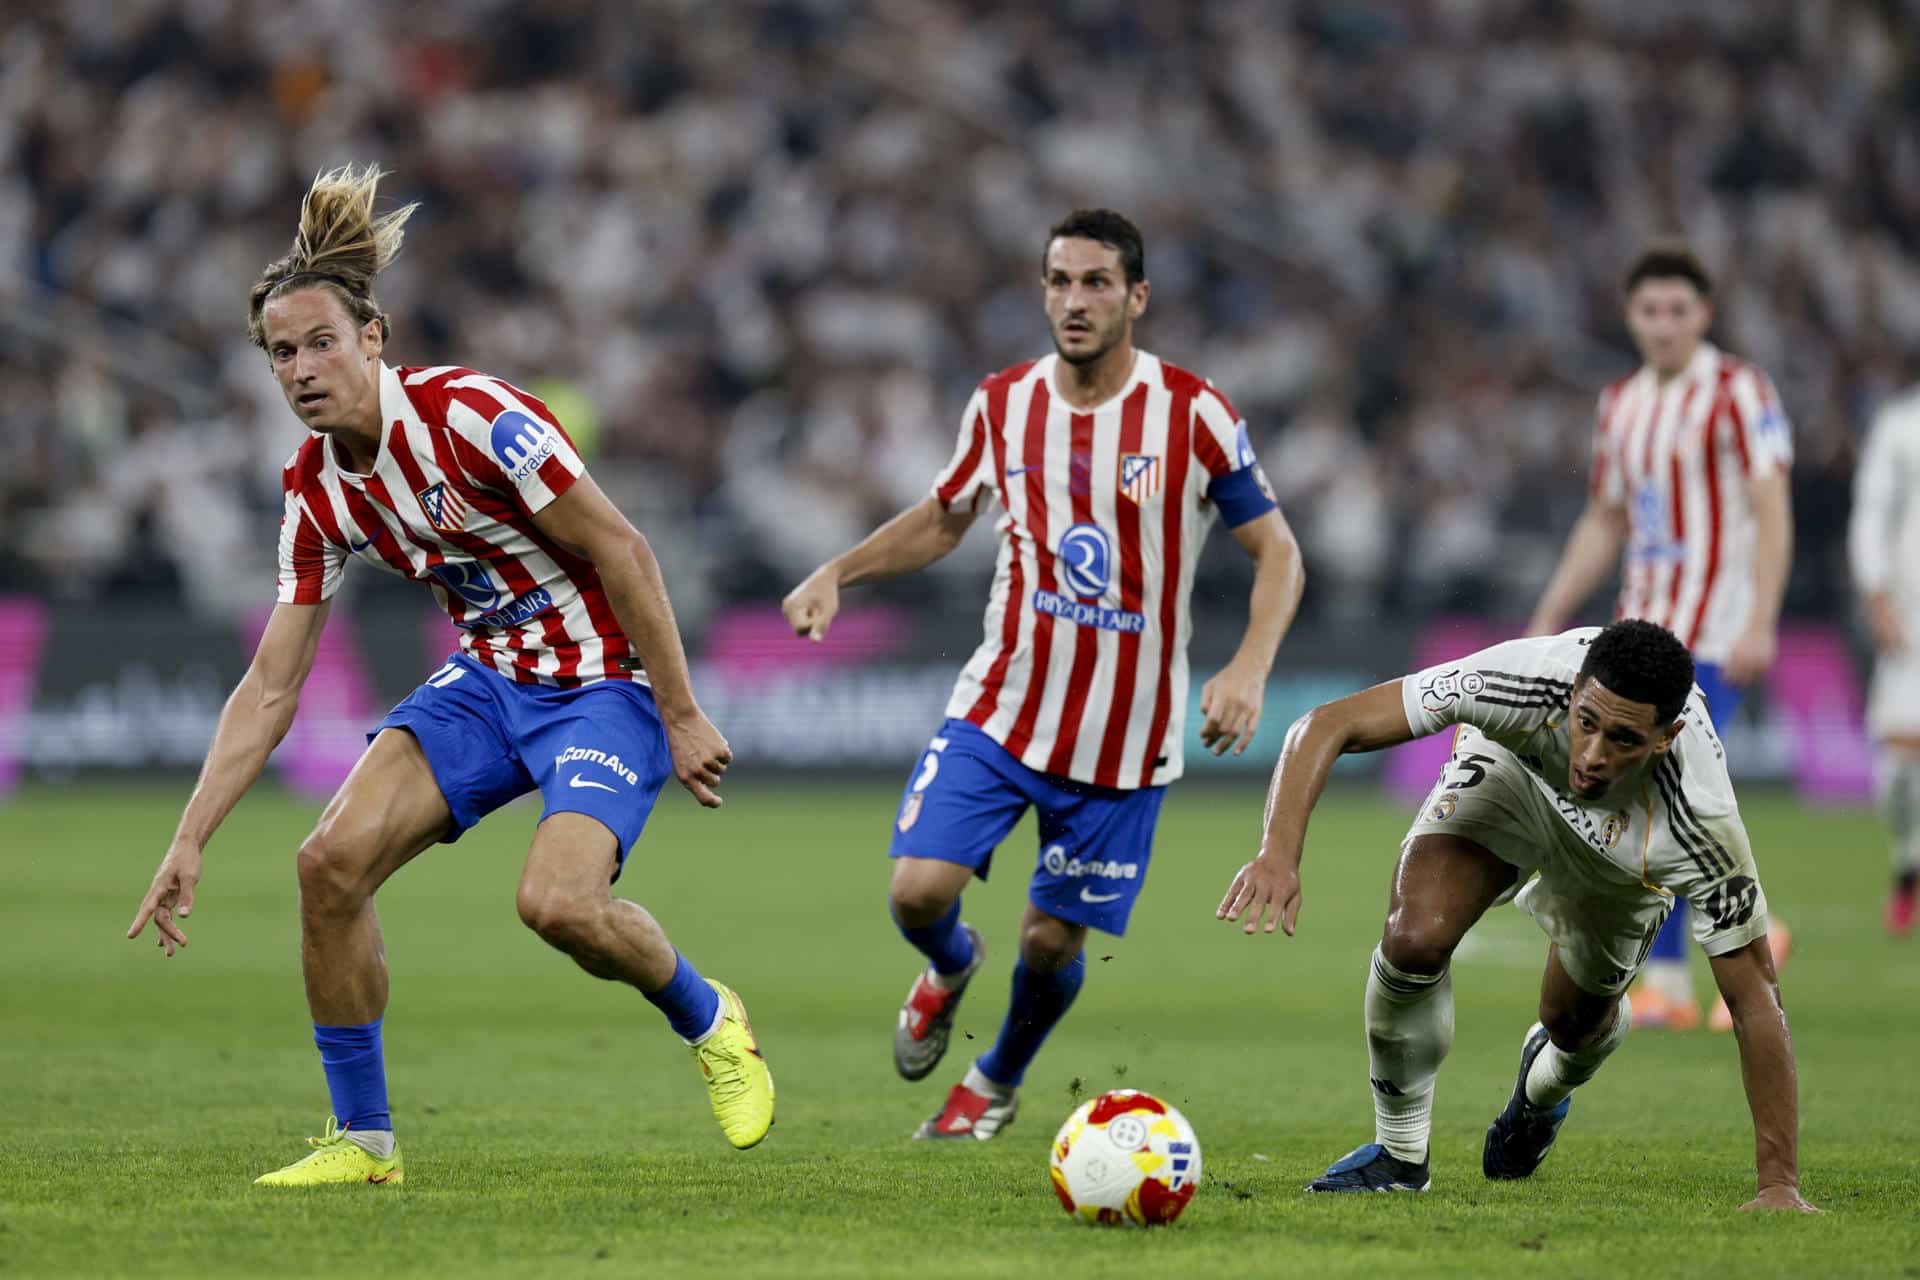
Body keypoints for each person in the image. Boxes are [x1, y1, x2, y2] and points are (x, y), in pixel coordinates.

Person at [125, 165, 773, 1185]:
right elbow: (270, 685)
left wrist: (683, 712)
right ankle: (366, 1140)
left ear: (374, 338)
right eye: (281, 353)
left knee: (557, 903)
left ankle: (711, 1016)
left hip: (605, 683)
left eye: (320, 342)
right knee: (325, 863)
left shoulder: (475, 417)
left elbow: (626, 550)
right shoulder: (313, 495)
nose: (300, 368)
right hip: (489, 682)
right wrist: (189, 836)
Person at [781, 209, 1304, 1140]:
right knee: (916, 892)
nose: (1074, 300)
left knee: (1053, 939)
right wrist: (838, 572)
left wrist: (1250, 668)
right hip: (1003, 708)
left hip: (1124, 738)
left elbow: (1279, 553)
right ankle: (948, 966)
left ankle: (992, 1082)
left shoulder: (1194, 412)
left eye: (1097, 281)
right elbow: (944, 518)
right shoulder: (1004, 402)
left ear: (1136, 297)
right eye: (1059, 281)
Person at [1218, 620, 1816, 1211]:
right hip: (1515, 775)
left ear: (1666, 736)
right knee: (1413, 937)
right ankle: (1399, 1154)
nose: (1592, 755)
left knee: (1574, 1025)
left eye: (1624, 740)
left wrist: (1779, 1186)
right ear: (1575, 689)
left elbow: (1754, 1001)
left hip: (1626, 853)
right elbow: (1328, 723)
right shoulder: (1521, 681)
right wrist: (1277, 852)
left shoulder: (1699, 822)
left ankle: (1543, 1087)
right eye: (1587, 722)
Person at [1528, 241, 1794, 1031]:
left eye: (1680, 310)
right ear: (1631, 315)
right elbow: (1606, 518)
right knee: (1640, 804)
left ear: (1703, 315)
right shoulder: (1622, 404)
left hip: (1714, 629)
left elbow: (1771, 508)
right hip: (1637, 636)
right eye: (1651, 309)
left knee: (1663, 804)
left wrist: (1761, 619)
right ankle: (1747, 933)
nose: (1665, 324)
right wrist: (1551, 612)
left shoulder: (1739, 392)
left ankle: (1670, 981)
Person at [1849, 386, 1920, 935]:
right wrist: (1876, 595)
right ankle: (1908, 863)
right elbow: (1871, 515)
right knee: (1899, 768)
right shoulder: (1901, 424)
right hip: (1910, 618)